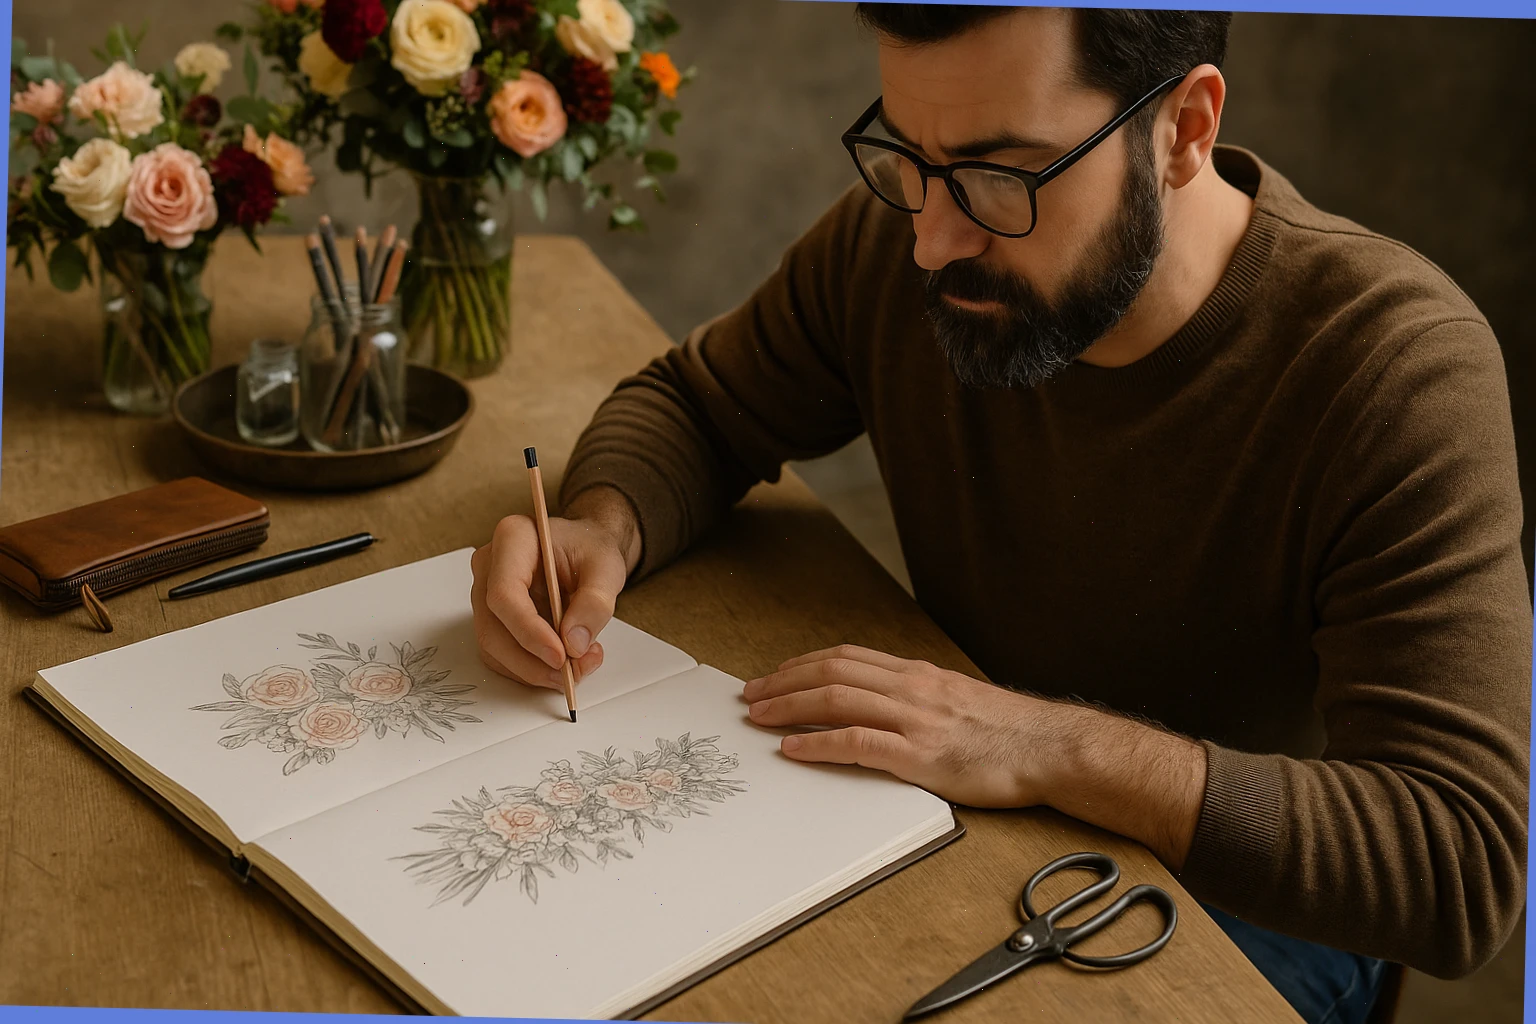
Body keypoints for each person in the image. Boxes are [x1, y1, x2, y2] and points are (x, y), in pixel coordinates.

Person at [469, 6, 1531, 1022]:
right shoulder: (909, 237)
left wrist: (1045, 741)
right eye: (910, 157)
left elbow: (1459, 863)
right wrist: (603, 527)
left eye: (998, 174)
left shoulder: (1396, 365)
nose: (932, 239)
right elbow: (697, 404)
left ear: (1185, 130)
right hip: (958, 817)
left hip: (1247, 907)